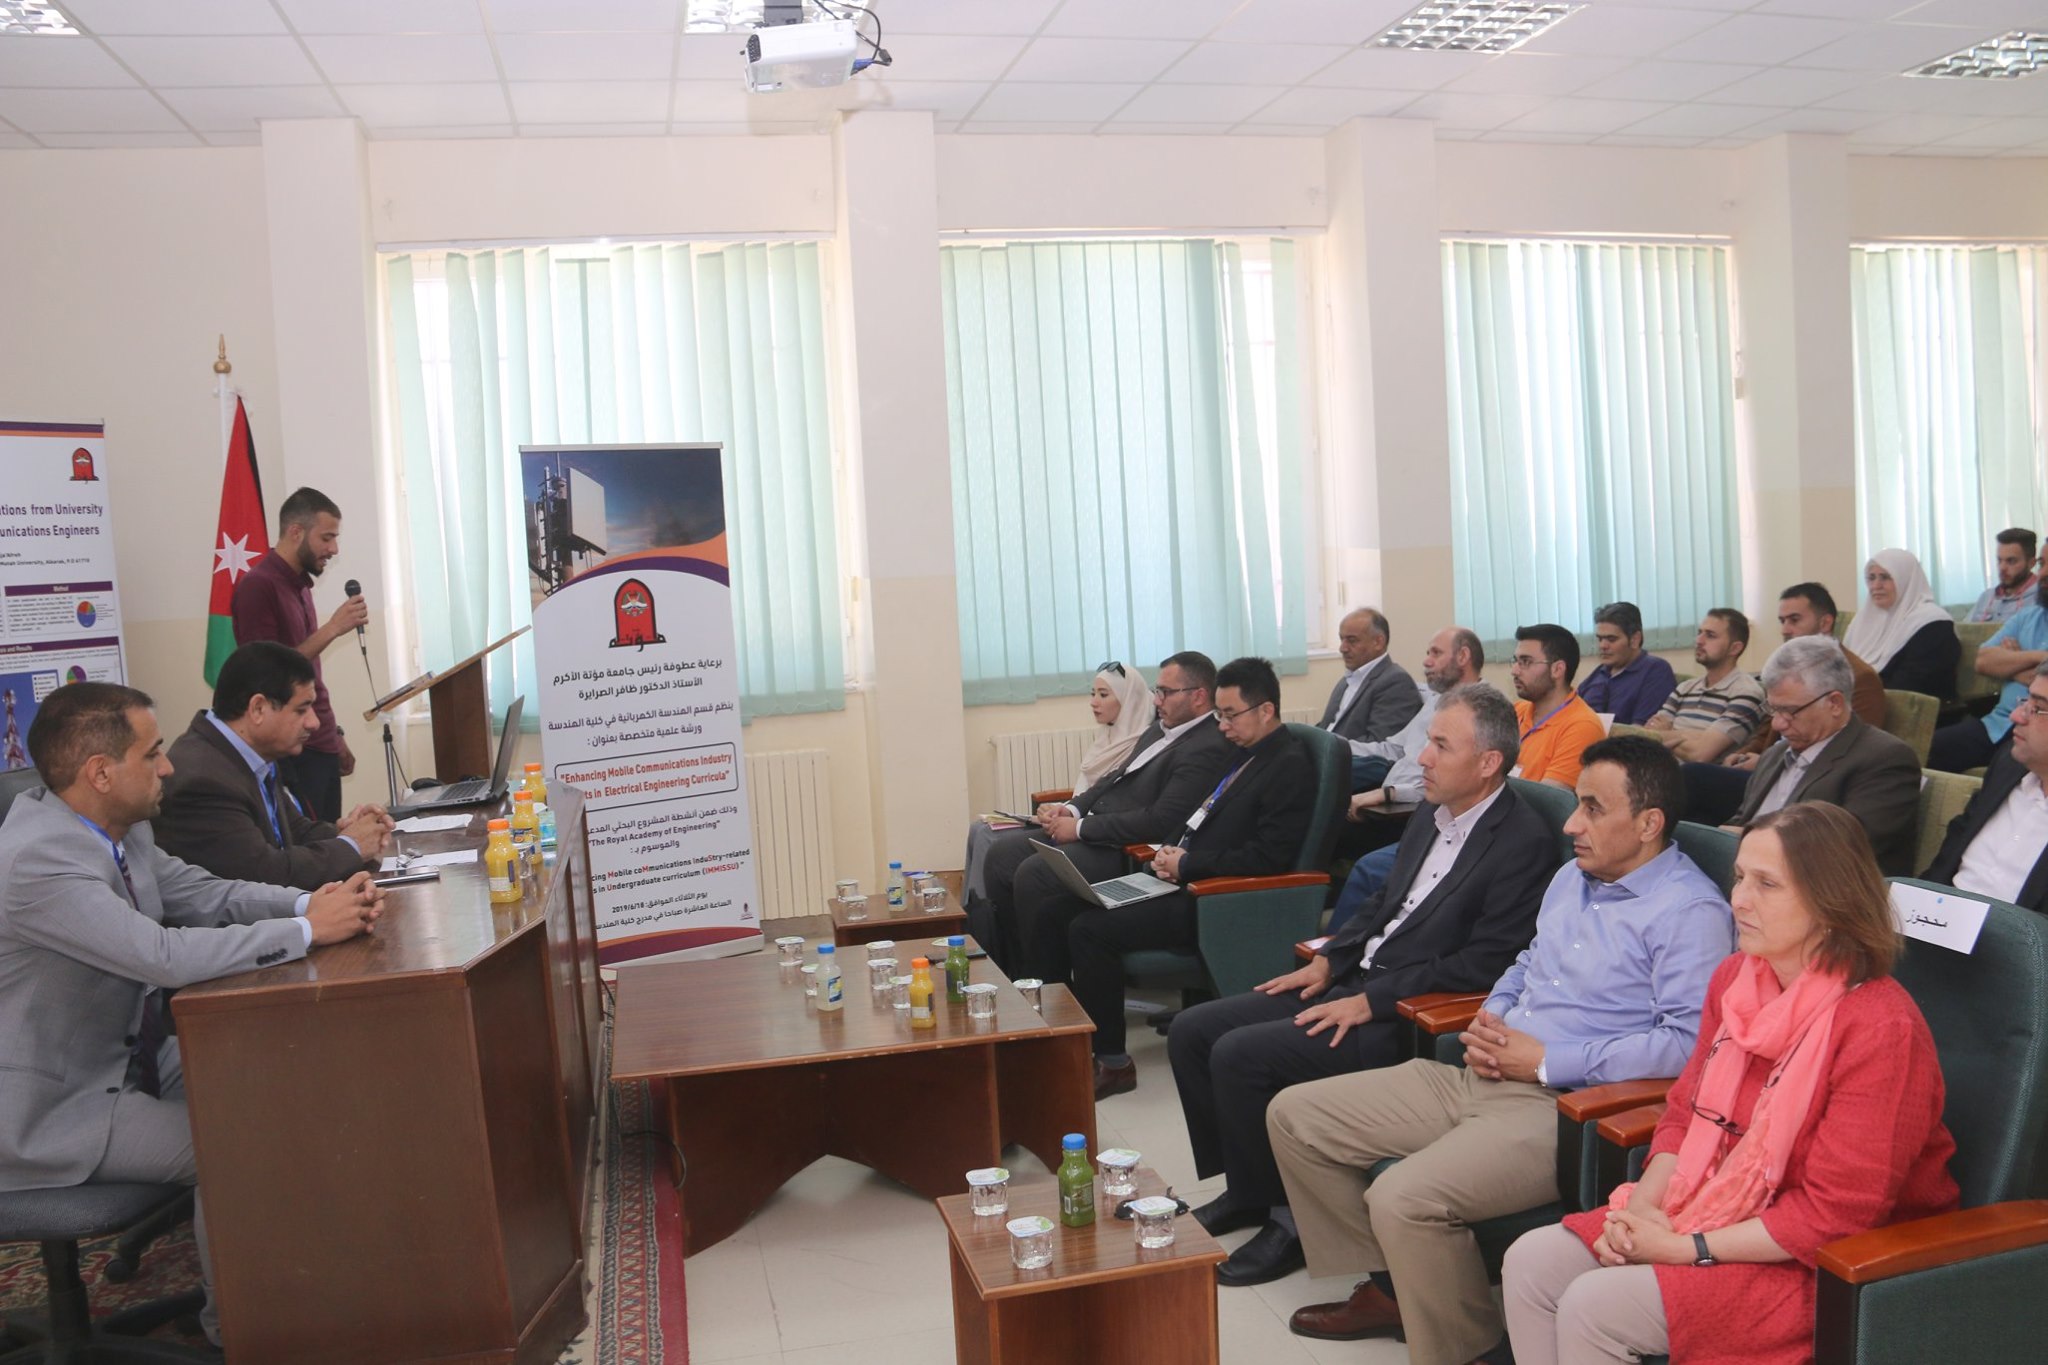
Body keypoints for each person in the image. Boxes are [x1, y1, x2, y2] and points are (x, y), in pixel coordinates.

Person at [1267, 737, 1732, 1365]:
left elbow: (1687, 1046)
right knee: (1295, 1116)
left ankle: (1468, 1347)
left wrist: (1543, 1060)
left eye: (1593, 809)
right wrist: (1494, 1014)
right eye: (1576, 804)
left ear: (1649, 824)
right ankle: (1399, 1290)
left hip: (1563, 1105)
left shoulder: (1689, 912)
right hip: (1482, 1070)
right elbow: (1527, 960)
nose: (1571, 825)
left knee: (1403, 1197)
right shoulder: (1574, 876)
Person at [1503, 802, 1958, 1365]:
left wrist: (1682, 1248)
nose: (1739, 899)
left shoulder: (1880, 1026)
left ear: (1831, 901)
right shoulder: (1735, 978)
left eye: (1767, 884)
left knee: (1596, 1306)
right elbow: (1683, 1114)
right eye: (1740, 877)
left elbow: (1836, 1214)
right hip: (1708, 1206)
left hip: (1828, 1263)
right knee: (1532, 1263)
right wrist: (1643, 1210)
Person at [0, 683, 383, 1348]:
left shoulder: (120, 827)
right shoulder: (38, 861)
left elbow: (203, 893)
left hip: (127, 1055)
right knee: (236, 1140)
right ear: (100, 772)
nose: (169, 765)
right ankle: (241, 1336)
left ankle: (322, 1285)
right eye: (152, 754)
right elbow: (161, 955)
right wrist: (307, 933)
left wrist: (308, 903)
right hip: (55, 1106)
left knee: (285, 1078)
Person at [1168, 684, 1558, 1288]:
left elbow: (1482, 964)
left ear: (1488, 763)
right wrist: (1331, 960)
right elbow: (1383, 901)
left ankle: (1289, 1222)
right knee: (1193, 1031)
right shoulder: (1434, 811)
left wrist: (1372, 1000)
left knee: (1241, 1054)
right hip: (1355, 975)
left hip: (1407, 1013)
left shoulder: (1521, 843)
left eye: (1440, 745)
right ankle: (1248, 1190)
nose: (1423, 758)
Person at [1075, 657, 1322, 1100]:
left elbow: (1268, 857)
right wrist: (1169, 853)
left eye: (1230, 715)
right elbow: (1200, 818)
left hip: (1217, 901)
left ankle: (1112, 1062)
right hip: (1184, 878)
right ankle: (1075, 1043)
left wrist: (1188, 865)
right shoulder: (1245, 754)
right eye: (1220, 715)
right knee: (1081, 901)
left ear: (1266, 710)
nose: (1222, 726)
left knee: (1090, 929)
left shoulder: (1287, 766)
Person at [975, 651, 1234, 978]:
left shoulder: (1208, 745)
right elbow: (1113, 778)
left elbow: (1160, 821)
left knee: (1036, 873)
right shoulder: (1160, 729)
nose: (1157, 700)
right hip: (1098, 828)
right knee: (1000, 855)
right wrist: (1071, 807)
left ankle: (1046, 985)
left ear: (1198, 696)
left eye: (1166, 692)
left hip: (1127, 848)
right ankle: (1015, 970)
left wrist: (1079, 828)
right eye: (1157, 690)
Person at [156, 642, 393, 888]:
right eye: (302, 709)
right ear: (258, 709)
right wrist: (351, 846)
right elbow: (267, 874)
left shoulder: (251, 750)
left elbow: (294, 831)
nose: (314, 723)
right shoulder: (203, 779)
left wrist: (350, 832)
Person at [1329, 627, 1486, 931]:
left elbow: (1455, 782)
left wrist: (1387, 793)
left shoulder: (1479, 711)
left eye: (1435, 653)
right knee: (1321, 819)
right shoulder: (1437, 701)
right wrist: (1333, 744)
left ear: (1463, 656)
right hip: (1396, 802)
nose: (1426, 661)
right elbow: (1394, 748)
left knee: (1362, 863)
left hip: (1415, 812)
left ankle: (1332, 946)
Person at [962, 661, 1151, 911]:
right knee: (987, 837)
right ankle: (983, 923)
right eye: (1092, 694)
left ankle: (987, 919)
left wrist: (1073, 819)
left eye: (1104, 695)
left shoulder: (1144, 745)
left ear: (1128, 699)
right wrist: (1058, 808)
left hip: (1102, 837)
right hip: (1073, 821)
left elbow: (1120, 805)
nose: (1094, 702)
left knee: (1014, 858)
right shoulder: (1106, 738)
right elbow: (1086, 794)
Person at [1726, 637, 1921, 875]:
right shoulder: (1774, 755)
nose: (1777, 724)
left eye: (1789, 711)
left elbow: (1845, 850)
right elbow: (1740, 822)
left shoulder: (1885, 759)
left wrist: (1751, 839)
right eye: (1773, 709)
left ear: (1834, 703)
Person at [231, 487, 365, 821]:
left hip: (320, 739)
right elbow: (266, 674)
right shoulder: (258, 586)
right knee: (310, 842)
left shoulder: (300, 585)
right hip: (292, 748)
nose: (333, 549)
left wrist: (334, 733)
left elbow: (309, 675)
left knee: (330, 836)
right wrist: (332, 628)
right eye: (326, 538)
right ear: (296, 532)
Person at [1922, 661, 2048, 911]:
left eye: (2038, 709)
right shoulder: (2009, 763)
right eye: (2025, 701)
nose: (2016, 716)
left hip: (2014, 934)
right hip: (1936, 917)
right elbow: (1949, 855)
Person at [1928, 578, 2048, 773]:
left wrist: (2012, 663)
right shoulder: (2027, 617)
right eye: (2042, 565)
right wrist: (2039, 657)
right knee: (1924, 750)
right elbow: (1983, 660)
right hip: (1997, 724)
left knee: (2006, 772)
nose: (2043, 573)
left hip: (2038, 731)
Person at [1319, 608, 1423, 791]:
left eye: (1352, 640)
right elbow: (1328, 727)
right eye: (1341, 639)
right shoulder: (1349, 679)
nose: (1343, 648)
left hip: (1354, 773)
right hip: (1328, 762)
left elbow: (1380, 746)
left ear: (1378, 642)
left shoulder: (1395, 682)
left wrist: (1324, 747)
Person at [1644, 609, 1765, 764]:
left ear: (1735, 648)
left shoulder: (1746, 692)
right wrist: (1693, 735)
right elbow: (1648, 735)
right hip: (1658, 768)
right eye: (1699, 633)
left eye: (1710, 635)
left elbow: (1700, 755)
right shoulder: (1684, 688)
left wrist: (1665, 733)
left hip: (1699, 776)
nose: (1699, 640)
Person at [1841, 548, 1959, 701]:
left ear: (1906, 579)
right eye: (1871, 578)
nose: (1876, 585)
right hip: (1860, 701)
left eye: (1885, 577)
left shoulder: (1933, 623)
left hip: (1912, 709)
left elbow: (1913, 684)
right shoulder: (1863, 620)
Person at [1508, 623, 1607, 789]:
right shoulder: (1516, 711)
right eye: (1515, 661)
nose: (1514, 671)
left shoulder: (1582, 726)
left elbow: (1548, 799)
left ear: (1557, 669)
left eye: (1525, 662)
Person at [1578, 602, 1677, 726]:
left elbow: (1641, 731)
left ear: (1635, 639)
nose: (1602, 646)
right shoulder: (1598, 674)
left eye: (1611, 639)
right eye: (1600, 639)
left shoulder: (1655, 671)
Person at [1966, 526, 2039, 625]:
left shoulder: (2041, 599)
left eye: (2011, 561)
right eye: (1999, 560)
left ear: (2031, 563)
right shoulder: (1986, 597)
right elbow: (1964, 631)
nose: (2002, 567)